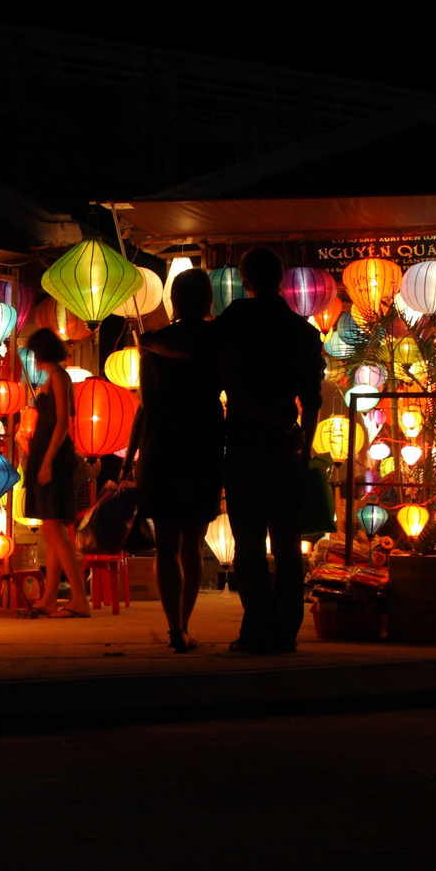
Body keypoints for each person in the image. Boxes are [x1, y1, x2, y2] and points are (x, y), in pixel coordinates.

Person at [143, 249, 323, 652]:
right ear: (281, 280)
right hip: (285, 445)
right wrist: (305, 447)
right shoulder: (304, 333)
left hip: (244, 443)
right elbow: (312, 401)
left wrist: (151, 340)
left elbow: (195, 345)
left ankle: (257, 628)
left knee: (250, 543)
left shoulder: (238, 319)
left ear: (244, 279)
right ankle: (286, 630)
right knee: (288, 543)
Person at [124, 267, 223, 652]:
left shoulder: (154, 346)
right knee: (193, 540)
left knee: (167, 539)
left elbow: (146, 404)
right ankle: (185, 624)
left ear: (174, 302)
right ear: (209, 300)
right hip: (203, 440)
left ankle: (175, 627)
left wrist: (131, 453)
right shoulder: (217, 340)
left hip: (162, 440)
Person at [22, 327, 90, 618]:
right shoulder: (51, 378)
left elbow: (62, 423)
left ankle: (78, 598)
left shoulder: (60, 378)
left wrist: (47, 461)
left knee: (55, 528)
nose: (34, 359)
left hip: (54, 456)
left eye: (36, 353)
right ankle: (50, 597)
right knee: (51, 531)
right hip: (43, 454)